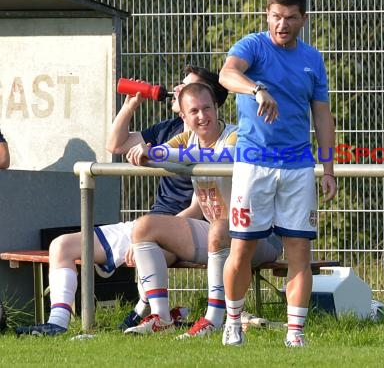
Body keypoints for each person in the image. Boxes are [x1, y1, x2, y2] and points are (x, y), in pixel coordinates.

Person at [15, 65, 227, 336]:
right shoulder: (168, 130)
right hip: (147, 224)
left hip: (178, 231)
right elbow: (115, 145)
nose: (178, 90)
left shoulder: (216, 142)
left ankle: (146, 314)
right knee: (61, 246)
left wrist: (149, 235)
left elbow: (203, 208)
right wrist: (130, 105)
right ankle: (56, 323)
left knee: (146, 248)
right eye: (181, 86)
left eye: (190, 88)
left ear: (212, 102)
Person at [218, 0, 337, 347]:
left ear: (303, 19)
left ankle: (295, 333)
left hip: (298, 167)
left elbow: (322, 115)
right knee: (242, 249)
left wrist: (328, 167)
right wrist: (256, 90)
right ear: (267, 15)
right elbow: (226, 75)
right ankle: (233, 321)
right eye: (275, 16)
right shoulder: (252, 46)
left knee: (300, 250)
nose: (281, 24)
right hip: (254, 166)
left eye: (289, 18)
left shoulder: (312, 59)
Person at [123, 82, 283, 336]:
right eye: (194, 111)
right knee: (144, 226)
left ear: (217, 107)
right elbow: (161, 152)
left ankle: (214, 319)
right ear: (183, 117)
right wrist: (148, 152)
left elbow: (222, 157)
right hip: (216, 235)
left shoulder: (235, 135)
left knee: (220, 226)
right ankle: (161, 317)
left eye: (207, 108)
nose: (202, 116)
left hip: (262, 238)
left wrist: (154, 153)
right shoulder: (187, 138)